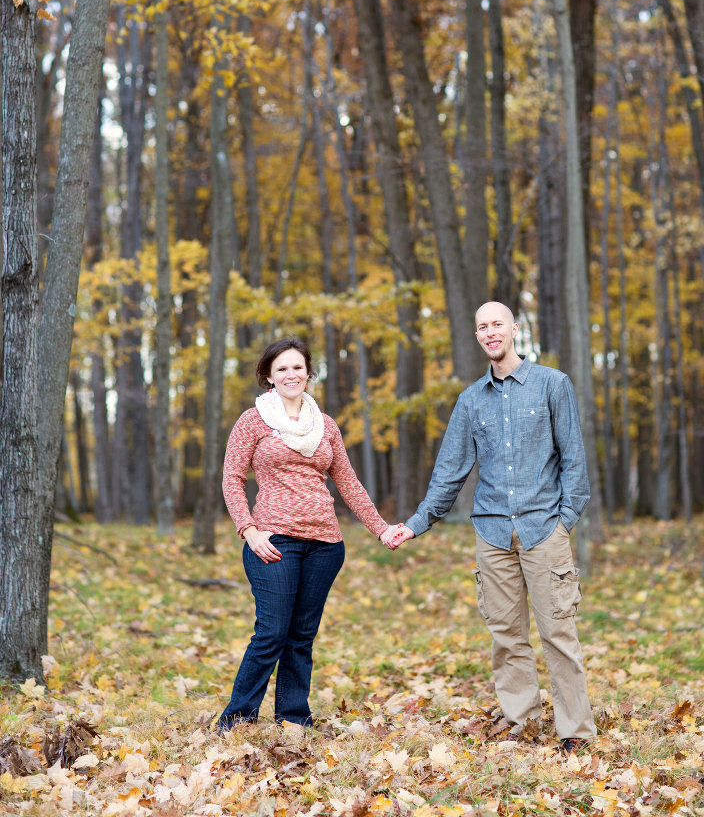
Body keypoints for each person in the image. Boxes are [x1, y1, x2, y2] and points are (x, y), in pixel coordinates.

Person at [382, 301, 596, 753]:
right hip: (493, 535)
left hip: (544, 529)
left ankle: (575, 732)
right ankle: (522, 723)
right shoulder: (470, 400)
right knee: (506, 637)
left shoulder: (553, 385)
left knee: (558, 634)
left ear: (514, 329)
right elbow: (449, 472)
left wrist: (564, 522)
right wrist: (416, 524)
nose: (490, 332)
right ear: (477, 335)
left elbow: (575, 461)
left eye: (497, 323)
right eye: (482, 326)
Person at [220, 336, 394, 731]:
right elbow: (232, 478)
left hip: (325, 545)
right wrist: (249, 530)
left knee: (301, 636)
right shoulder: (253, 420)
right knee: (271, 632)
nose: (291, 374)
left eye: (297, 367)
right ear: (269, 376)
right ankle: (237, 721)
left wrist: (381, 529)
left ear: (308, 372)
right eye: (281, 368)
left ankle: (294, 720)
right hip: (273, 542)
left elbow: (348, 482)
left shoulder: (325, 425)